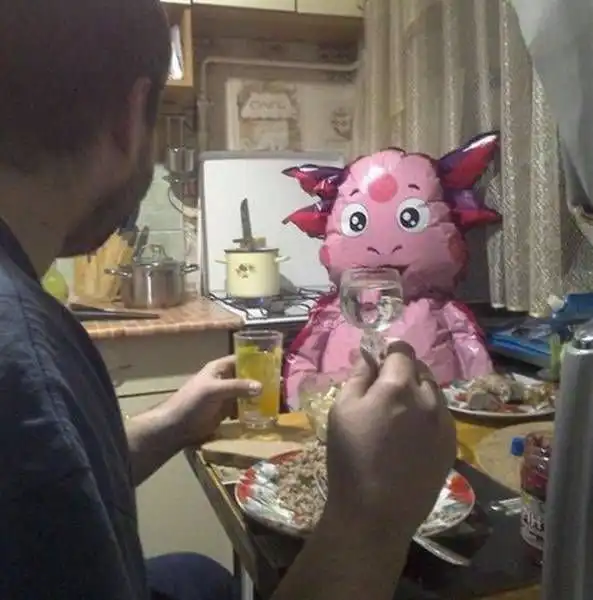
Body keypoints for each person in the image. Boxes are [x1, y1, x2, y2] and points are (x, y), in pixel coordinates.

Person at [0, 1, 456, 599]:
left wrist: (167, 425)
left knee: (199, 575)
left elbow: (59, 488)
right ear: (130, 118)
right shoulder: (23, 364)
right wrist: (370, 516)